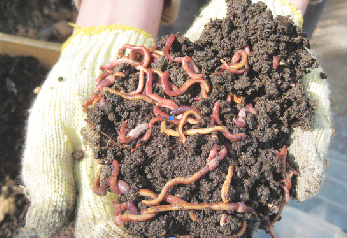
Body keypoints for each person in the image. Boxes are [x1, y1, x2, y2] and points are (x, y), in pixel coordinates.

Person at [21, 0, 331, 237]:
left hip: (248, 23)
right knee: (180, 50)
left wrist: (271, 13)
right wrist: (114, 11)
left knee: (190, 52)